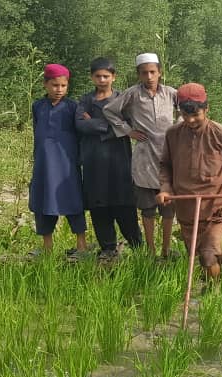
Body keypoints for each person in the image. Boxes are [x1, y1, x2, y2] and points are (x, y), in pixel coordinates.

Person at [157, 83, 222, 281]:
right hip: (186, 207)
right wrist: (165, 188)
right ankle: (218, 275)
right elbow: (165, 165)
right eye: (185, 115)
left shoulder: (220, 133)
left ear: (207, 109)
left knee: (207, 256)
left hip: (215, 207)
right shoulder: (172, 134)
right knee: (197, 256)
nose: (191, 120)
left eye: (196, 115)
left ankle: (214, 294)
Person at [103, 53, 178, 259]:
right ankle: (151, 251)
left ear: (160, 72)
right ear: (139, 74)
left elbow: (187, 110)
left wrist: (179, 131)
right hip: (144, 156)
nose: (149, 76)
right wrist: (128, 130)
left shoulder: (171, 93)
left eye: (153, 72)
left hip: (168, 156)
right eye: (144, 73)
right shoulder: (133, 94)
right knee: (147, 207)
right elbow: (110, 110)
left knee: (168, 208)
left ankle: (166, 250)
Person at [75, 57, 142, 261]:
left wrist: (97, 124)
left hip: (119, 161)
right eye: (98, 76)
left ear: (114, 77)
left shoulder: (123, 99)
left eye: (106, 76)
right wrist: (112, 125)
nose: (102, 80)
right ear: (92, 77)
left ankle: (138, 248)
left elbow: (129, 126)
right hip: (93, 161)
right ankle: (108, 249)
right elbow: (79, 124)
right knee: (99, 206)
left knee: (125, 205)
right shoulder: (85, 100)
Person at [29, 63, 87, 259]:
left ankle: (81, 245)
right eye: (55, 85)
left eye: (63, 86)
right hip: (44, 164)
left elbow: (81, 134)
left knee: (73, 201)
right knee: (43, 201)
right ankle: (47, 246)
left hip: (67, 164)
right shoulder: (37, 107)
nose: (59, 90)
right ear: (45, 84)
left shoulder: (73, 107)